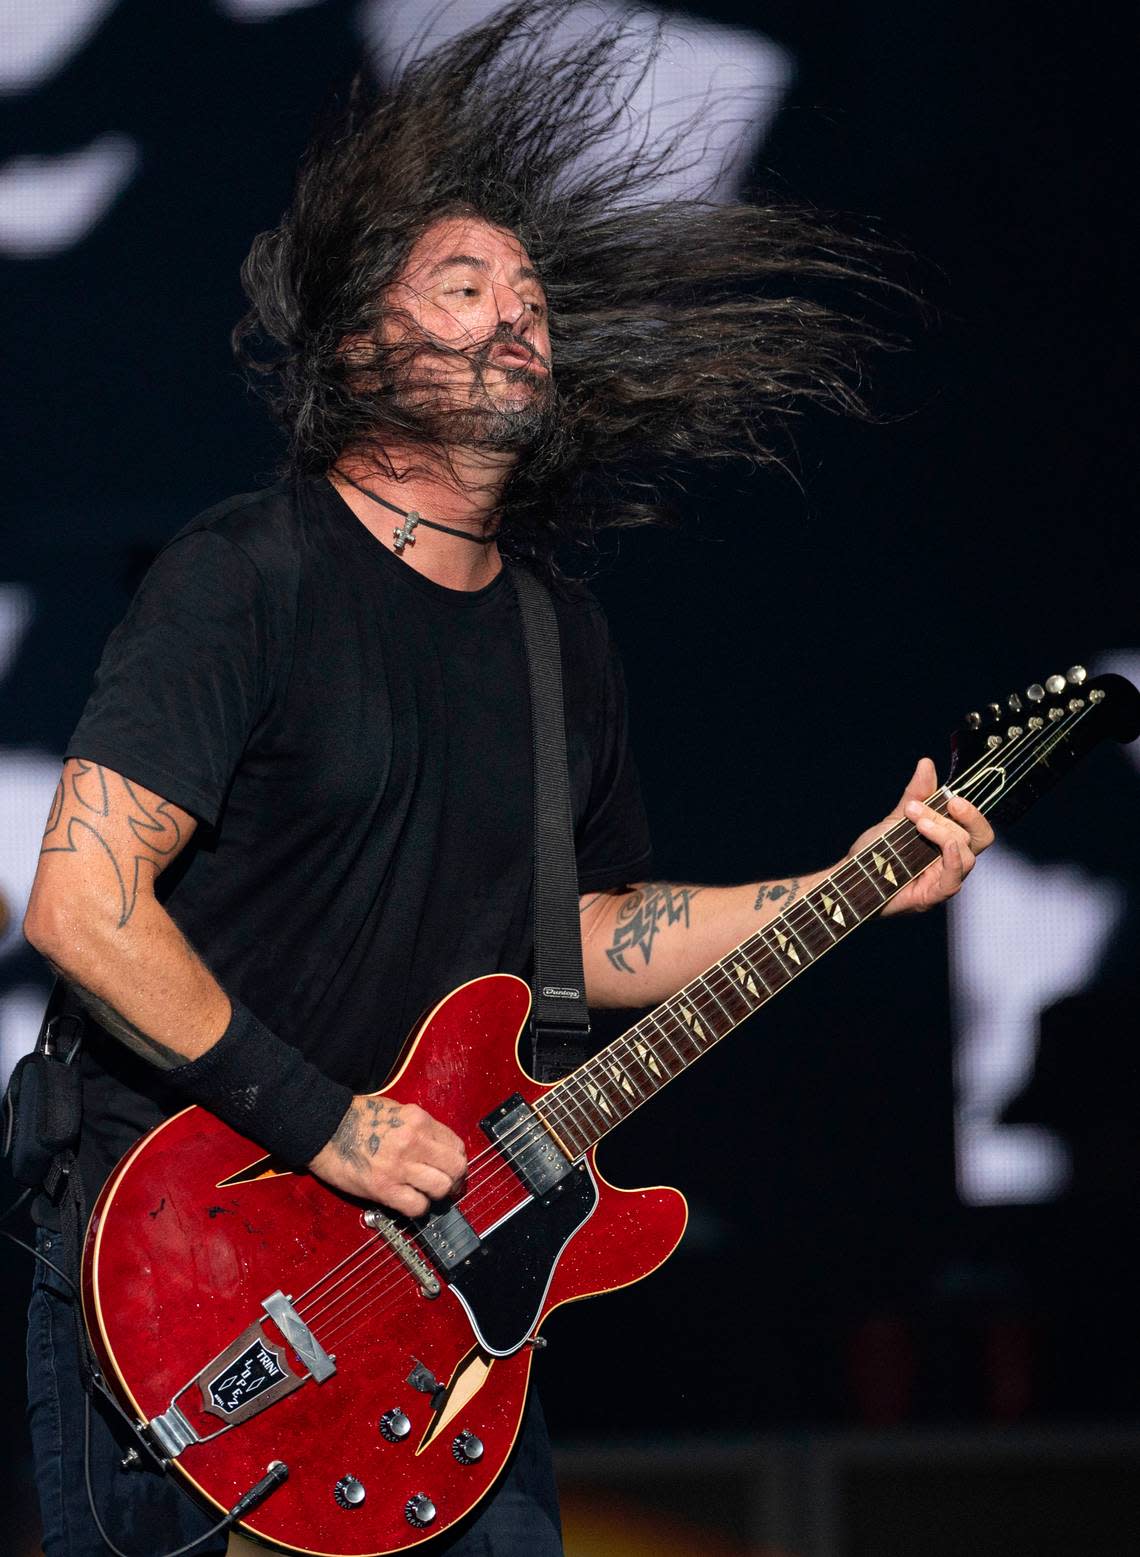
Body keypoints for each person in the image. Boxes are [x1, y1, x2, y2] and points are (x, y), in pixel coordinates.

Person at [21, 4, 993, 1553]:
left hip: (444, 1341)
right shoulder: (244, 578)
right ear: (357, 350)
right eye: (463, 287)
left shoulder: (556, 635)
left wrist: (849, 883)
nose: (515, 318)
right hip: (198, 1291)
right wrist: (327, 1122)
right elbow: (80, 903)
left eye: (530, 297)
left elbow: (592, 930)